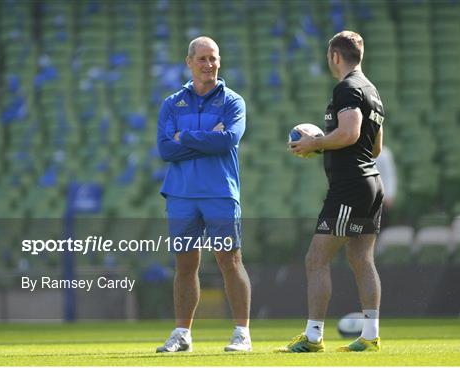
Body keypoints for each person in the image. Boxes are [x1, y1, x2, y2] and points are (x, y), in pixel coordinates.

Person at [278, 31, 385, 353]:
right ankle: (370, 335)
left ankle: (313, 337)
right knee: (361, 258)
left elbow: (350, 133)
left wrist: (316, 143)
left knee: (316, 258)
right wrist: (328, 143)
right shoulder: (372, 91)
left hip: (349, 187)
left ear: (335, 56)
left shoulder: (347, 88)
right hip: (371, 182)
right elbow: (375, 147)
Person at [156, 36, 252, 353]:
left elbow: (227, 142)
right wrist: (207, 137)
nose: (209, 64)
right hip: (181, 195)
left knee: (229, 260)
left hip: (220, 193)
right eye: (202, 59)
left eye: (214, 58)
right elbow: (166, 149)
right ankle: (182, 334)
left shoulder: (233, 102)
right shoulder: (172, 103)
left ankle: (242, 334)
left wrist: (186, 137)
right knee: (185, 265)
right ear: (189, 62)